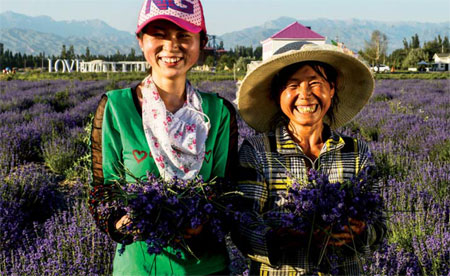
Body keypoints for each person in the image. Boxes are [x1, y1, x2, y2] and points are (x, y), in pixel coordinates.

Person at [88, 0, 238, 275]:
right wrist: (124, 223)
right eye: (159, 34)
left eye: (184, 35)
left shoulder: (218, 112)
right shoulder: (116, 108)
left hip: (206, 268)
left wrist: (202, 221)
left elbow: (228, 191)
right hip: (139, 267)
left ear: (200, 42)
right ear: (141, 41)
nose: (171, 46)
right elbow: (102, 190)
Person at [234, 43, 386, 275]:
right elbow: (242, 223)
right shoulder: (258, 151)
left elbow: (380, 225)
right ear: (278, 94)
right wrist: (283, 238)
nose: (305, 95)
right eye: (292, 85)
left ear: (332, 90)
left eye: (315, 83)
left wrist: (360, 230)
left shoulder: (355, 152)